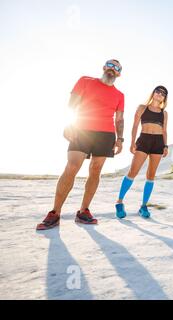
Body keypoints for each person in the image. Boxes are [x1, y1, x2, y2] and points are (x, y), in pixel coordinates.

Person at [36, 59, 125, 230]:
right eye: (110, 65)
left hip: (106, 133)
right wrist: (69, 123)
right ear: (104, 67)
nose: (112, 69)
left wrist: (120, 139)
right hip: (81, 128)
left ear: (119, 74)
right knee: (72, 166)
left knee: (96, 169)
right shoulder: (85, 81)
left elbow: (119, 119)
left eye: (116, 68)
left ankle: (84, 211)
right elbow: (72, 104)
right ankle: (55, 213)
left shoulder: (120, 95)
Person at [115, 86, 169, 219]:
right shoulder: (142, 108)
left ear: (164, 98)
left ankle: (143, 206)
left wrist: (165, 145)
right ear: (153, 93)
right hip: (144, 139)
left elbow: (164, 130)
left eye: (163, 93)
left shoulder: (164, 113)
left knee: (151, 175)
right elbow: (134, 126)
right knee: (132, 172)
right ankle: (119, 202)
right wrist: (132, 142)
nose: (160, 94)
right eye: (158, 91)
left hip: (158, 143)